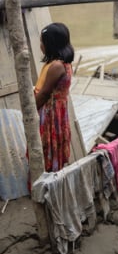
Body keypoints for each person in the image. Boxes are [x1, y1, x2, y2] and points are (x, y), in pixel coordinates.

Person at [34, 22, 74, 172]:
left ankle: (46, 178)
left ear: (50, 44)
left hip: (50, 113)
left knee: (47, 145)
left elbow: (44, 94)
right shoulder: (65, 63)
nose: (40, 45)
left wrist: (30, 111)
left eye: (42, 42)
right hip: (59, 111)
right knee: (55, 144)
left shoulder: (56, 66)